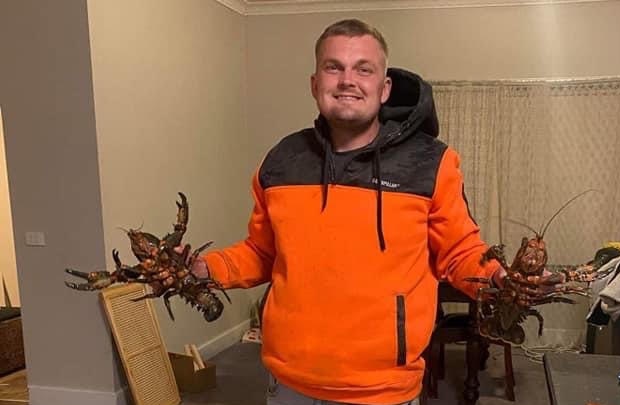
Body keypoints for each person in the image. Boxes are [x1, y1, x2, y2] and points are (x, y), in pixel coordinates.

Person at [189, 18, 511, 405]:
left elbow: (458, 252)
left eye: (364, 68)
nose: (347, 80)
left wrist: (499, 278)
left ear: (384, 86)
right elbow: (262, 253)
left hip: (382, 390)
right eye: (333, 67)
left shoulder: (432, 163)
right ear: (314, 83)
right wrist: (208, 268)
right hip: (290, 382)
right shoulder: (280, 161)